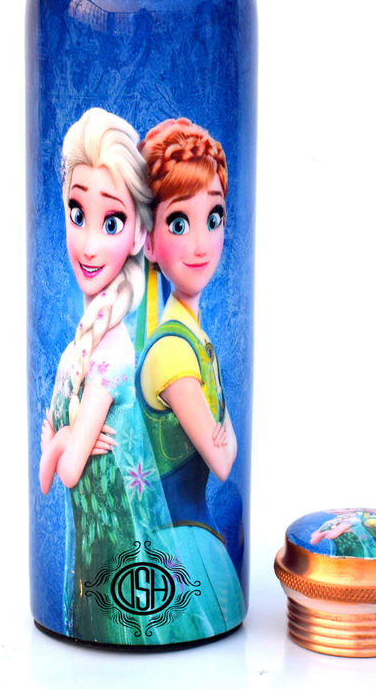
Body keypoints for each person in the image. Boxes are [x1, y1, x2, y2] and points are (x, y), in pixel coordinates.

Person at [39, 107, 169, 643]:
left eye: (111, 222)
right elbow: (46, 474)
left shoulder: (112, 350)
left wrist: (61, 442)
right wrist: (64, 443)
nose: (89, 244)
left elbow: (66, 470)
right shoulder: (79, 346)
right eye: (77, 213)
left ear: (138, 233)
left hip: (117, 551)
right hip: (90, 551)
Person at [135, 117, 245, 633]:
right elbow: (221, 459)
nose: (201, 244)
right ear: (150, 241)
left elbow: (225, 446)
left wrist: (225, 437)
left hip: (199, 545)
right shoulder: (173, 352)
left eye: (213, 217)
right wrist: (226, 436)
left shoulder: (194, 338)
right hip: (178, 555)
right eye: (179, 223)